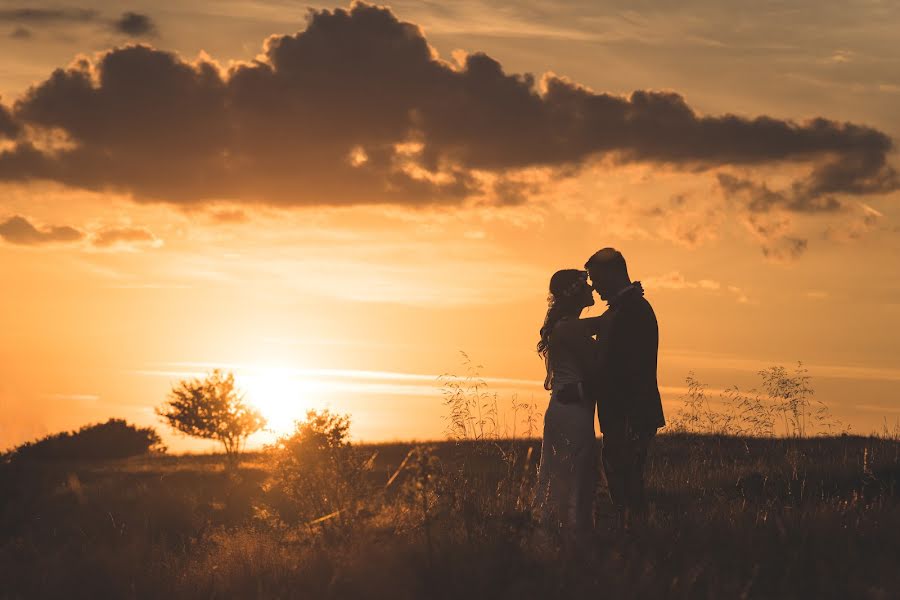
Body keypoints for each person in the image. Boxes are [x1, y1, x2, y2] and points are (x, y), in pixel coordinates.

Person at [532, 269, 614, 541]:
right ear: (575, 293)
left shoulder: (568, 325)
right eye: (586, 286)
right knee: (572, 474)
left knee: (567, 474)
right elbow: (597, 370)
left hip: (567, 408)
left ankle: (563, 536)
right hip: (572, 409)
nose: (592, 290)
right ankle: (571, 538)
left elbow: (599, 324)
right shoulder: (568, 327)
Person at [584, 248, 665, 526]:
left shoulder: (634, 310)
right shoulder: (623, 309)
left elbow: (625, 368)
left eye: (596, 279)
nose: (594, 287)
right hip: (622, 413)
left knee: (628, 485)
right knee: (623, 484)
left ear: (613, 273)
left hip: (631, 413)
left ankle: (636, 540)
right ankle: (632, 537)